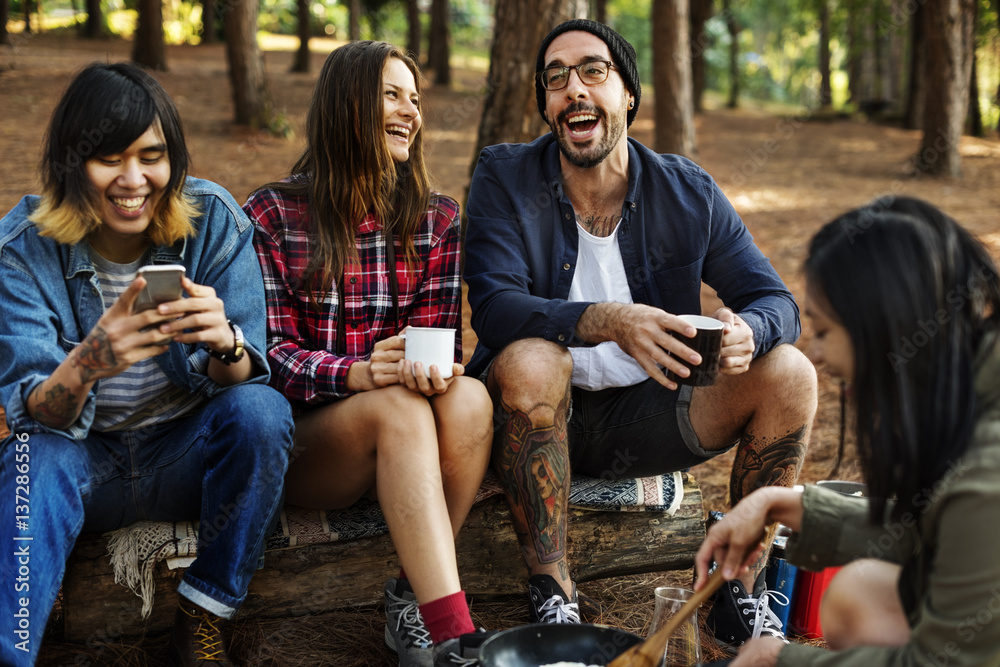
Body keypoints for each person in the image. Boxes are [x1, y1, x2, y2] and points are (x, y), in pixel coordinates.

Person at [463, 18, 817, 649]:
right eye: (555, 79)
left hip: (653, 418)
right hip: (535, 417)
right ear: (546, 106)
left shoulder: (688, 190)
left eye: (592, 72)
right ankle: (554, 592)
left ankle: (737, 589)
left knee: (791, 371)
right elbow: (492, 308)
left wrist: (751, 332)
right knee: (532, 360)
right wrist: (607, 320)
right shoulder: (505, 176)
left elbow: (776, 300)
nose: (573, 89)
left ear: (627, 94)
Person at [0, 62, 294, 667]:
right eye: (110, 158)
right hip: (84, 462)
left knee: (263, 411)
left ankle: (203, 614)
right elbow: (34, 411)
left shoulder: (212, 221)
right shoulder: (23, 249)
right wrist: (88, 363)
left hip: (184, 454)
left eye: (151, 156)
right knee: (32, 453)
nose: (133, 180)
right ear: (71, 163)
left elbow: (246, 381)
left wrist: (227, 346)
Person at [245, 41, 493, 667]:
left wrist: (430, 370)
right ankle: (455, 636)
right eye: (391, 94)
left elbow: (440, 341)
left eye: (415, 99)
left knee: (469, 400)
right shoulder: (274, 214)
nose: (410, 111)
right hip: (312, 446)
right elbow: (262, 357)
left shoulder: (436, 218)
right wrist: (356, 374)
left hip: (411, 439)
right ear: (344, 105)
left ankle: (414, 601)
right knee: (395, 410)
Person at [694, 196, 1000, 666]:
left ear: (883, 328)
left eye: (823, 330)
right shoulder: (969, 387)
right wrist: (778, 503)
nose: (814, 354)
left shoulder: (986, 476)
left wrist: (781, 660)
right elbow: (932, 532)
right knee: (860, 593)